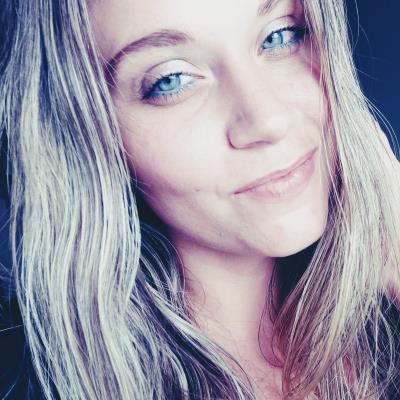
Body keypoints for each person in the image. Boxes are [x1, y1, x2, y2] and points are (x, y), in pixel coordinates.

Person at [1, 0, 400, 399]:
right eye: (172, 80)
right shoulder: (25, 381)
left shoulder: (383, 313)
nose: (268, 120)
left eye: (280, 36)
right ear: (81, 134)